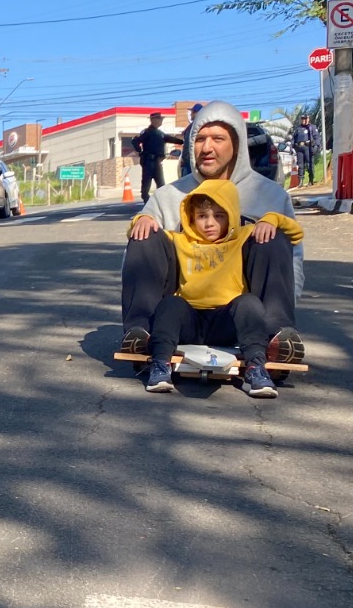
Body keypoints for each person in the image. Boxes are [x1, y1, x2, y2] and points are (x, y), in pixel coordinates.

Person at [121, 101, 305, 364]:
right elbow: (134, 262)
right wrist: (143, 221)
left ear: (237, 144)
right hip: (178, 318)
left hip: (243, 318)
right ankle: (143, 334)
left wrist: (287, 309)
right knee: (145, 231)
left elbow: (293, 260)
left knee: (272, 232)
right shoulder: (167, 197)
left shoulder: (269, 196)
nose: (207, 148)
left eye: (218, 139)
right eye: (200, 139)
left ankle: (276, 338)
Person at [143, 179, 305, 399]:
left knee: (248, 302)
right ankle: (160, 365)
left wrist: (271, 219)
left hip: (228, 321)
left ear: (231, 216)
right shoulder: (180, 240)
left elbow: (295, 233)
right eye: (202, 216)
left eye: (219, 216)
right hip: (190, 321)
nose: (210, 223)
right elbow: (152, 233)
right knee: (171, 303)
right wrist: (141, 218)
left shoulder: (243, 236)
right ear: (191, 217)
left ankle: (256, 368)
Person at [129, 113, 183, 203]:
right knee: (146, 185)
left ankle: (160, 203)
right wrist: (139, 150)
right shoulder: (147, 132)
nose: (161, 121)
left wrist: (182, 141)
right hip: (149, 161)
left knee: (161, 185)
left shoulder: (160, 133)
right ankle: (147, 202)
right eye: (159, 119)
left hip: (157, 161)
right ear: (153, 120)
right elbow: (135, 141)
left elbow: (170, 139)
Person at [292, 114, 320, 184]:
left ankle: (311, 179)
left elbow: (317, 138)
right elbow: (293, 139)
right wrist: (292, 147)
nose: (304, 120)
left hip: (308, 147)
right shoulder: (297, 128)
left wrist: (316, 146)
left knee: (309, 164)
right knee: (300, 165)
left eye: (305, 119)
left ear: (308, 119)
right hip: (299, 149)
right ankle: (300, 180)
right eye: (302, 119)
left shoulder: (312, 127)